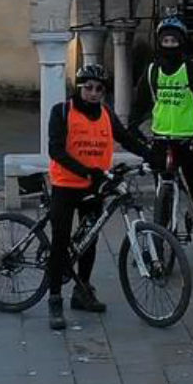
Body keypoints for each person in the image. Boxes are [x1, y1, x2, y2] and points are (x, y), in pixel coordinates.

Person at [44, 62, 151, 331]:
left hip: (94, 187)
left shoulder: (106, 114)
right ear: (79, 88)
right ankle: (54, 299)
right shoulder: (61, 112)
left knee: (89, 241)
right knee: (60, 241)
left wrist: (151, 156)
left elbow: (126, 139)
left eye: (99, 89)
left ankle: (82, 291)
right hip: (66, 184)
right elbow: (56, 150)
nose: (93, 93)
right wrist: (87, 171)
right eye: (88, 88)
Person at [132, 15, 193, 271]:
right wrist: (134, 129)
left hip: (190, 141)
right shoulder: (152, 71)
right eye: (165, 41)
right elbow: (140, 105)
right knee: (161, 198)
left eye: (174, 41)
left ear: (182, 42)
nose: (170, 45)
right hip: (162, 139)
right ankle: (158, 251)